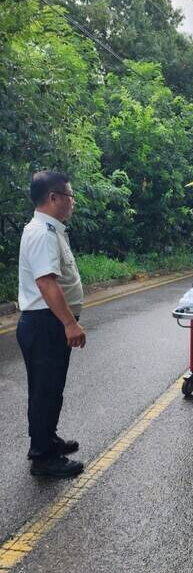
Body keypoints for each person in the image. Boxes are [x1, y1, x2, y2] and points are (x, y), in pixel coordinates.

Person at [17, 171, 86, 477]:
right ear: (53, 198)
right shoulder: (43, 233)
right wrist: (70, 324)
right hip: (46, 323)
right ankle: (43, 457)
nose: (73, 202)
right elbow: (47, 285)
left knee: (51, 388)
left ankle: (48, 439)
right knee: (45, 390)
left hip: (47, 322)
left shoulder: (51, 230)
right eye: (70, 196)